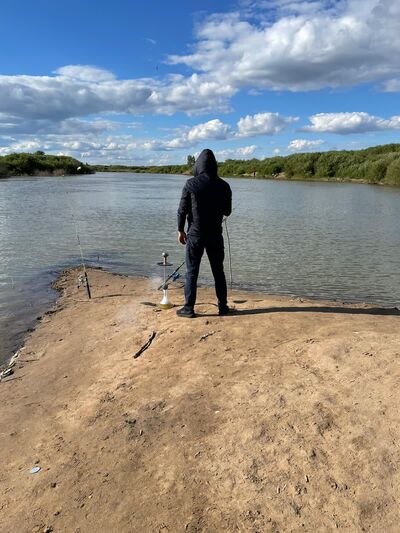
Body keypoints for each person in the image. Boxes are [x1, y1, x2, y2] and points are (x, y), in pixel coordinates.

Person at [176, 148, 232, 318]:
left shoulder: (190, 184)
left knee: (192, 272)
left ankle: (189, 308)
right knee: (218, 271)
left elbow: (182, 210)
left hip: (195, 235)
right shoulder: (224, 185)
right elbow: (227, 211)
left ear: (198, 165)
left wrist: (180, 230)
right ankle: (223, 307)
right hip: (215, 235)